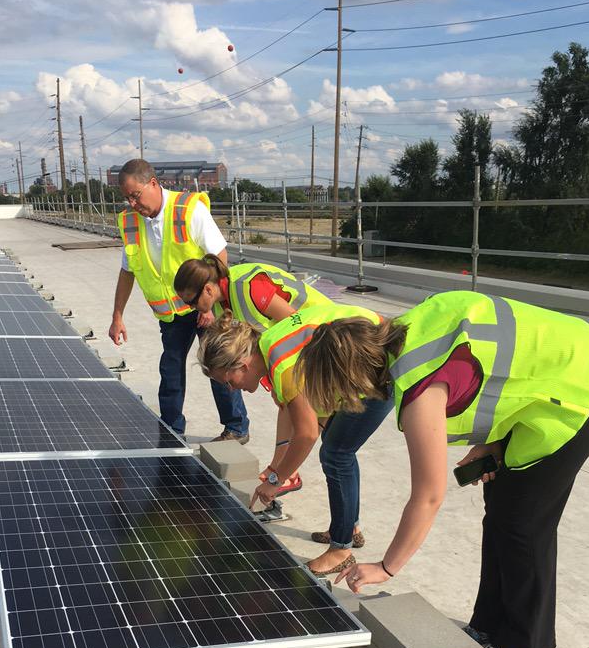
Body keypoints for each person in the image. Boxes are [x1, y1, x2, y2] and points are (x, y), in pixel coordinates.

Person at [295, 290, 589, 648]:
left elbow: (428, 497)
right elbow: (500, 368)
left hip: (584, 383)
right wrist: (490, 442)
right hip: (558, 369)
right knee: (500, 509)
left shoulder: (419, 388)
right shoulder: (411, 330)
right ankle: (488, 626)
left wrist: (386, 567)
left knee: (523, 522)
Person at [197, 306, 394, 577]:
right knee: (337, 445)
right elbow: (309, 412)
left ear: (242, 365)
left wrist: (276, 480)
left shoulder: (283, 367)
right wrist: (278, 469)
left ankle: (341, 550)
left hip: (381, 362)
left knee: (336, 453)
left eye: (228, 381)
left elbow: (306, 434)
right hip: (366, 353)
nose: (231, 389)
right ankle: (349, 528)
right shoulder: (269, 345)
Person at [108, 159, 249, 443]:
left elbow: (219, 257)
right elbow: (127, 271)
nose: (133, 203)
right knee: (170, 369)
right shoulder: (131, 221)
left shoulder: (188, 209)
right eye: (127, 198)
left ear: (153, 183)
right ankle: (172, 428)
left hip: (205, 307)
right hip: (171, 314)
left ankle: (236, 427)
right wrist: (117, 315)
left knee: (220, 365)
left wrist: (210, 306)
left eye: (135, 195)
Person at [175, 254, 333, 496]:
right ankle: (281, 469)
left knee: (316, 428)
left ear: (207, 289)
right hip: (292, 348)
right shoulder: (220, 304)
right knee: (286, 402)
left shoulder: (248, 289)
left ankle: (285, 473)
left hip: (322, 335)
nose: (190, 308)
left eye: (191, 301)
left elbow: (297, 325)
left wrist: (290, 372)